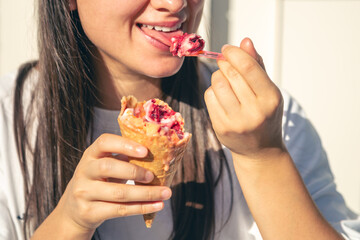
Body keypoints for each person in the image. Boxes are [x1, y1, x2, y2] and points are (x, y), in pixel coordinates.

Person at [0, 0, 359, 239]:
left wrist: (263, 157)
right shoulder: (8, 118)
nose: (174, 2)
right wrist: (69, 223)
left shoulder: (266, 122)